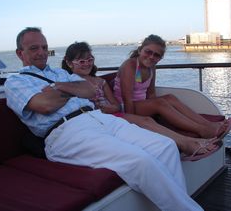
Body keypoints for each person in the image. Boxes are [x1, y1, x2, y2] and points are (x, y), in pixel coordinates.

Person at [5, 27, 204, 211]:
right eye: (34, 48)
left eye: (44, 47)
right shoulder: (16, 81)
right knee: (141, 161)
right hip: (66, 132)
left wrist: (59, 87)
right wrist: (74, 91)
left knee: (166, 147)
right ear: (19, 53)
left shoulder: (58, 74)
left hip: (99, 118)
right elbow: (45, 105)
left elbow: (89, 90)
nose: (41, 52)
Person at [62, 41, 220, 160]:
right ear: (69, 63)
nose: (87, 64)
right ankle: (188, 143)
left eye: (90, 59)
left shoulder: (100, 82)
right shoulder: (69, 83)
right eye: (82, 61)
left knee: (149, 119)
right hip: (99, 118)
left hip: (113, 114)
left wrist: (109, 107)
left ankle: (191, 139)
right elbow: (76, 108)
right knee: (145, 120)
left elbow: (115, 104)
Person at [113, 34, 231, 139]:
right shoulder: (130, 65)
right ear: (140, 50)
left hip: (140, 105)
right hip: (126, 108)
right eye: (148, 52)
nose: (151, 57)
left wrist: (155, 112)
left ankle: (209, 125)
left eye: (157, 55)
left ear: (160, 58)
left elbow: (151, 94)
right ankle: (202, 130)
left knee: (169, 98)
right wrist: (132, 123)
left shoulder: (151, 67)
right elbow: (127, 98)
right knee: (160, 103)